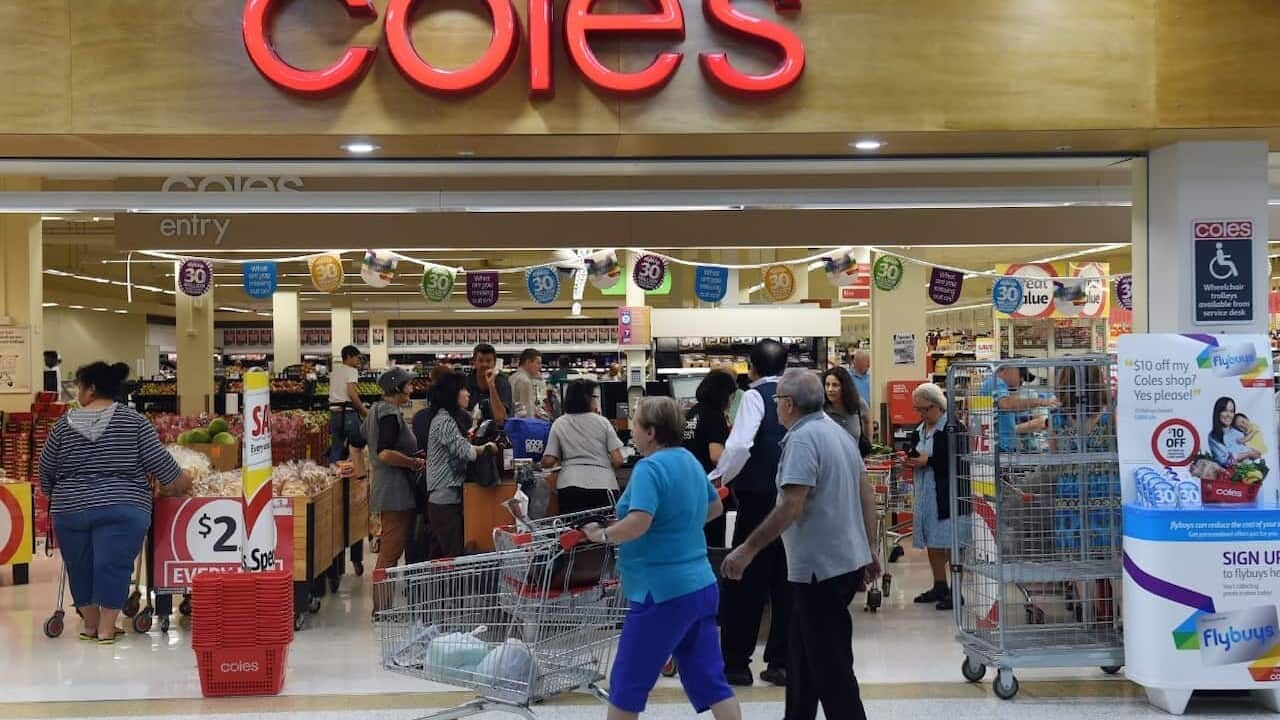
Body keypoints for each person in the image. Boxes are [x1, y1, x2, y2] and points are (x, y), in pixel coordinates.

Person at [722, 369, 879, 720]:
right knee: (802, 658)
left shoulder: (802, 440)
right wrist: (869, 547)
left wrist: (747, 549)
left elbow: (790, 505)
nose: (776, 406)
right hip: (843, 561)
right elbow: (865, 492)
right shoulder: (838, 433)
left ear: (789, 404)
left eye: (777, 399)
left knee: (831, 667)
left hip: (818, 570)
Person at [583, 397, 740, 720]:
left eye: (636, 426)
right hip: (701, 586)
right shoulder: (688, 460)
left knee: (627, 682)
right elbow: (715, 508)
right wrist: (679, 527)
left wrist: (602, 535)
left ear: (651, 432)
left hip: (661, 593)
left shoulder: (649, 468)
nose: (633, 434)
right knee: (712, 682)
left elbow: (640, 521)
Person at [39, 361, 193, 644]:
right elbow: (165, 468)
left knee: (79, 564)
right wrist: (186, 482)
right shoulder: (134, 422)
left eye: (79, 387)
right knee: (114, 565)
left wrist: (56, 493)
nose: (78, 393)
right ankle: (108, 629)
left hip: (70, 509)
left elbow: (45, 470)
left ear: (91, 390)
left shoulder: (62, 427)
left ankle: (90, 625)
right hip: (122, 507)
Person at [709, 339, 791, 687]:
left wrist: (717, 477)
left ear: (751, 369)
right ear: (785, 368)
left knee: (744, 579)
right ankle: (781, 661)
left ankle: (736, 663)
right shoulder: (796, 398)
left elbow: (740, 445)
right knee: (787, 583)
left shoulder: (755, 397)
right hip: (793, 503)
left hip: (758, 502)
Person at [365, 367, 425, 614]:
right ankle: (382, 608)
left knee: (391, 548)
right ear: (396, 388)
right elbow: (385, 453)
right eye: (408, 385)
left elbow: (361, 440)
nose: (411, 388)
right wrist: (412, 462)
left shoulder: (374, 411)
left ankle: (384, 605)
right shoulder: (389, 413)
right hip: (394, 490)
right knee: (390, 552)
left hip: (385, 486)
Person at [424, 371, 498, 559]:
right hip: (445, 500)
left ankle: (441, 589)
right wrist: (487, 447)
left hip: (444, 499)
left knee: (442, 556)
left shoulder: (445, 418)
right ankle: (448, 590)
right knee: (452, 555)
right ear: (452, 393)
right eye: (463, 390)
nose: (468, 394)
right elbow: (467, 452)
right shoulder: (444, 421)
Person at [905, 382, 964, 611]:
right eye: (917, 409)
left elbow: (957, 461)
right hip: (926, 493)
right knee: (932, 540)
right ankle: (940, 585)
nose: (921, 414)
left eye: (925, 409)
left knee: (951, 542)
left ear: (939, 406)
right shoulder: (920, 429)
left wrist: (927, 461)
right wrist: (911, 461)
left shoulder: (952, 428)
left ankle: (956, 590)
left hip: (947, 495)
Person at [542, 379, 624, 515]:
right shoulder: (603, 422)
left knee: (572, 534)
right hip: (604, 486)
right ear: (587, 399)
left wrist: (538, 464)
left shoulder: (559, 423)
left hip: (570, 486)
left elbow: (549, 460)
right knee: (604, 533)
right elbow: (618, 460)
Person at [683, 369, 737, 547]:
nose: (731, 401)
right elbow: (716, 455)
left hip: (690, 487)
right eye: (731, 396)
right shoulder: (714, 416)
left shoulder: (693, 413)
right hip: (709, 490)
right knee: (713, 545)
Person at [979, 365, 1059, 452]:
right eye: (1019, 375)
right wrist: (1040, 402)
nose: (1020, 382)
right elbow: (1006, 405)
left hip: (1002, 445)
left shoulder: (997, 384)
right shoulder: (995, 382)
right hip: (999, 446)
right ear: (1010, 369)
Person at [1049, 366, 1114, 454]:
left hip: (1066, 466)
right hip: (1107, 467)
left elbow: (1054, 455)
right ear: (1098, 381)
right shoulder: (1110, 414)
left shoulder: (1055, 416)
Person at [329, 345, 369, 464]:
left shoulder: (334, 371)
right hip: (347, 414)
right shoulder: (351, 370)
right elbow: (351, 393)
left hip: (334, 414)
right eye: (356, 357)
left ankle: (334, 477)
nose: (358, 361)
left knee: (336, 447)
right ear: (348, 357)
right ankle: (356, 476)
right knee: (358, 445)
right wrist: (364, 411)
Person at [822, 366, 873, 452]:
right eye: (827, 385)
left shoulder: (858, 404)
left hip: (854, 461)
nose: (830, 389)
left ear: (844, 387)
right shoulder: (821, 408)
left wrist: (869, 442)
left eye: (835, 385)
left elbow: (868, 420)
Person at [467, 343, 512, 427]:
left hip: (496, 433)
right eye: (480, 361)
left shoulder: (503, 383)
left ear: (494, 363)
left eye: (488, 361)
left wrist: (491, 386)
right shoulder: (466, 382)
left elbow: (501, 419)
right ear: (474, 362)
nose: (484, 364)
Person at [1207, 396, 1260, 466]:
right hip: (1232, 474)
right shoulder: (1214, 436)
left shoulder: (1237, 432)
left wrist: (1254, 453)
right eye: (1225, 410)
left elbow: (1244, 449)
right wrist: (1248, 454)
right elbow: (1225, 460)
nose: (1229, 415)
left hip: (1250, 470)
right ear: (1218, 412)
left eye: (1231, 411)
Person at [510, 348, 549, 419]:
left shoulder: (512, 377)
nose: (540, 367)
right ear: (528, 362)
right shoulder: (525, 381)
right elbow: (527, 411)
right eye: (538, 363)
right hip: (522, 425)